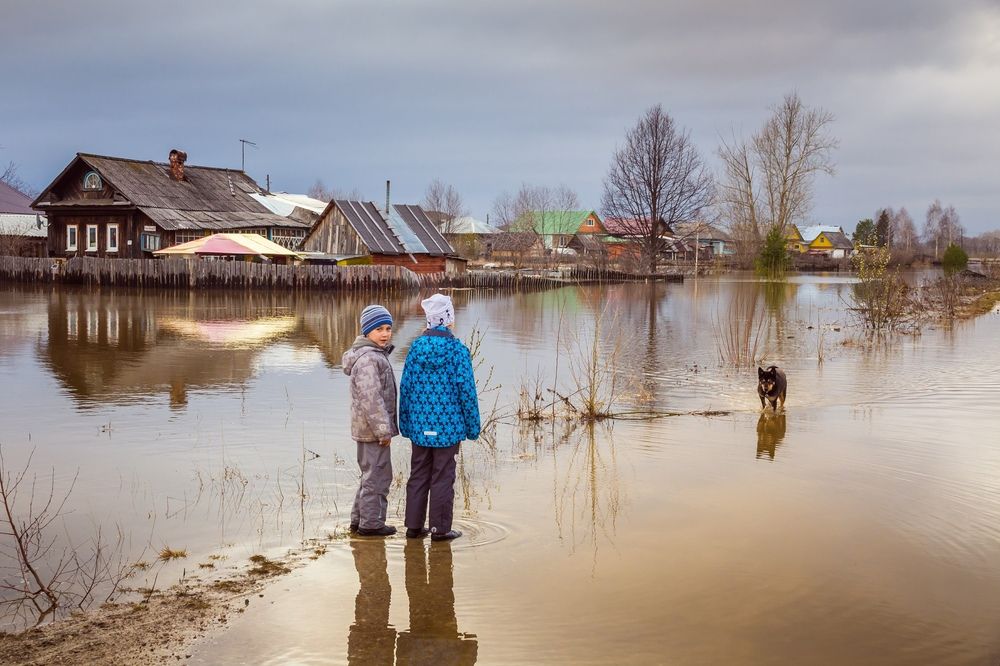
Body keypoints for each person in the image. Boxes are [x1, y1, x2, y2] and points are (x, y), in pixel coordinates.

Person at [399, 293, 480, 542]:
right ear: (448, 319)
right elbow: (467, 392)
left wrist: (405, 424)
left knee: (418, 474)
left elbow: (406, 387)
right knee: (443, 477)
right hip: (448, 428)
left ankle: (414, 527)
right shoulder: (458, 351)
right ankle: (440, 529)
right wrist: (473, 427)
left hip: (420, 427)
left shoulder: (415, 349)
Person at [342, 304, 398, 537]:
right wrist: (383, 430)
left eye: (388, 328)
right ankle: (371, 525)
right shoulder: (368, 359)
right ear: (366, 332)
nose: (385, 334)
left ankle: (359, 521)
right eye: (379, 329)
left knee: (370, 476)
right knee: (378, 477)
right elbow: (371, 399)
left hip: (369, 429)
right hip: (373, 431)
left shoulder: (374, 355)